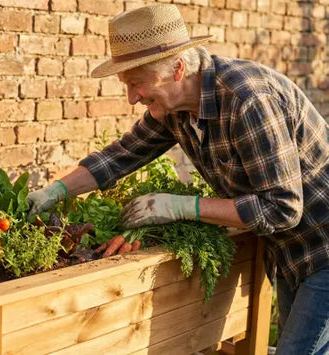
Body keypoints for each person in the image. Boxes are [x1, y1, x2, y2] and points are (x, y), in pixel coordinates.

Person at [26, 3, 329, 354]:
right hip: (292, 251)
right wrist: (56, 190)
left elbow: (281, 209)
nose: (131, 98)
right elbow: (120, 156)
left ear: (177, 69)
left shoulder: (246, 100)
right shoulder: (176, 108)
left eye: (137, 83)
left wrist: (182, 206)